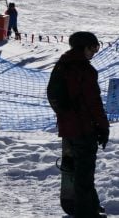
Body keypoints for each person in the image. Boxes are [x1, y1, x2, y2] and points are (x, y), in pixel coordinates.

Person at [47, 31, 109, 217]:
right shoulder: (84, 70)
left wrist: (66, 117)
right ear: (83, 47)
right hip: (84, 129)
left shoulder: (62, 65)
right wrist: (103, 127)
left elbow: (53, 95)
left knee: (78, 169)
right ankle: (86, 213)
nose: (94, 52)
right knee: (84, 174)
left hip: (68, 129)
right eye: (93, 47)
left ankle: (92, 205)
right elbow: (93, 102)